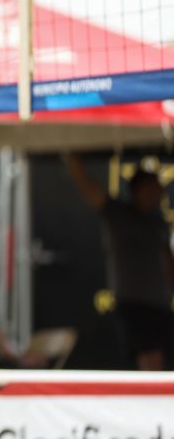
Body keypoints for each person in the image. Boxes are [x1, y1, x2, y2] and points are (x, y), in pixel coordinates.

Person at [65, 154, 174, 370]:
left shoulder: (157, 222)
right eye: (152, 188)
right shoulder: (119, 215)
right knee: (149, 360)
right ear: (138, 191)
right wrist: (72, 158)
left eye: (158, 188)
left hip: (159, 302)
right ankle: (149, 402)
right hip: (136, 303)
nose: (158, 194)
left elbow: (167, 258)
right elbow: (91, 191)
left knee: (161, 360)